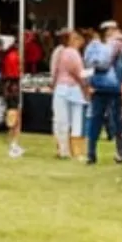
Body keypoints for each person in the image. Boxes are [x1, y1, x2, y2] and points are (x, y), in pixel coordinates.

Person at [83, 21, 122, 165]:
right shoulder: (118, 45)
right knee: (118, 120)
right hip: (114, 88)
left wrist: (88, 84)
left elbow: (88, 66)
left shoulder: (93, 47)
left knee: (95, 119)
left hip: (98, 87)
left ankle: (91, 154)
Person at [50, 29, 86, 160]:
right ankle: (77, 151)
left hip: (60, 88)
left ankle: (63, 149)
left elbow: (53, 72)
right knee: (76, 121)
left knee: (61, 121)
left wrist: (53, 85)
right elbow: (80, 73)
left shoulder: (58, 52)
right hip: (74, 89)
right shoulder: (73, 53)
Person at [0, 37, 24, 158]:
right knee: (14, 117)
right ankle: (13, 145)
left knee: (13, 116)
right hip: (12, 88)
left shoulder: (8, 55)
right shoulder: (12, 56)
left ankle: (13, 144)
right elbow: (15, 74)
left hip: (9, 88)